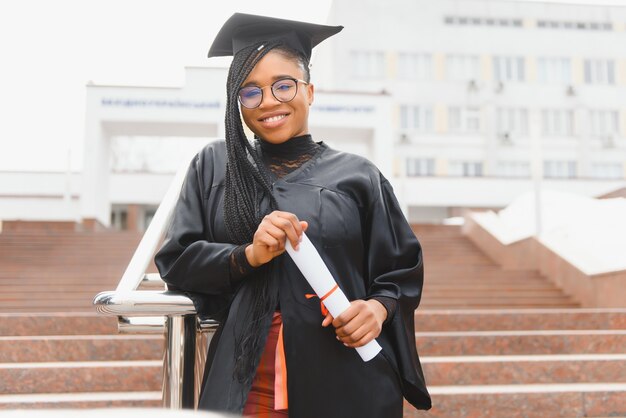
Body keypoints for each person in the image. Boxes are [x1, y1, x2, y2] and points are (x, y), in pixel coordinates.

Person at [154, 13, 431, 418]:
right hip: (246, 379)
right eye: (250, 92)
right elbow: (178, 261)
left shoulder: (358, 176)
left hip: (343, 378)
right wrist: (249, 254)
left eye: (283, 85)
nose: (268, 102)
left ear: (310, 91)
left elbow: (400, 271)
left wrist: (376, 310)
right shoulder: (216, 166)